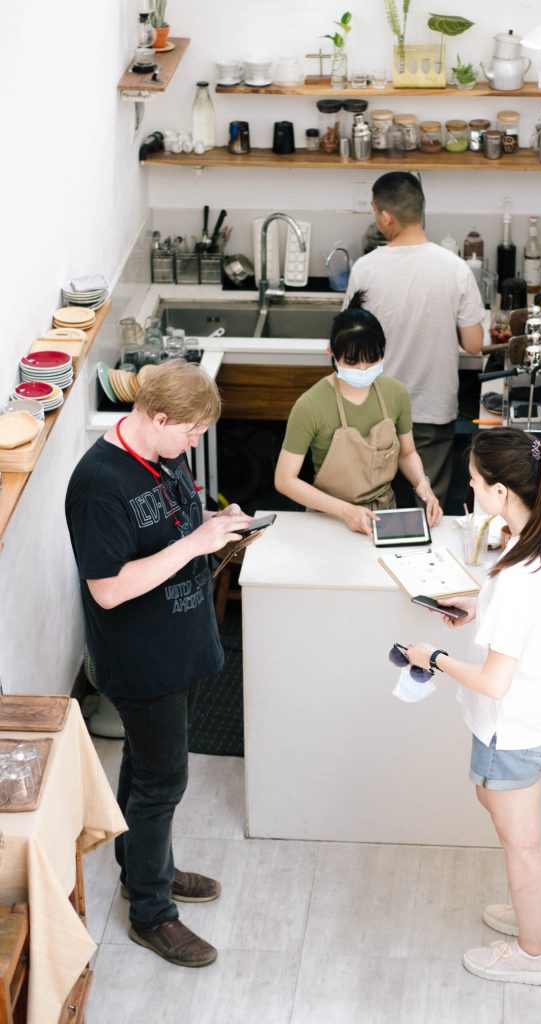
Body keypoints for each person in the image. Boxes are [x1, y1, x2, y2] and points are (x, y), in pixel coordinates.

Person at [65, 360, 257, 969]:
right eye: (191, 432)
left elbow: (172, 529)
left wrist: (215, 527)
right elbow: (108, 589)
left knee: (146, 771)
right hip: (143, 662)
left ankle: (143, 869)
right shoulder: (100, 483)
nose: (196, 443)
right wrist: (195, 545)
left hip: (185, 644)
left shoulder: (164, 455)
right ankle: (152, 912)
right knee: (162, 782)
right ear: (156, 417)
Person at [405, 428, 541, 986]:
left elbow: (493, 682)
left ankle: (534, 952)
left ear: (503, 490)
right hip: (536, 713)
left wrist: (430, 657)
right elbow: (524, 615)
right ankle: (537, 919)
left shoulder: (520, 575)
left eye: (477, 483)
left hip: (512, 724)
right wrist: (474, 605)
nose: (472, 491)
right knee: (501, 809)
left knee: (521, 843)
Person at [344, 171, 485, 509]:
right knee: (427, 507)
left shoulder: (365, 269)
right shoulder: (454, 268)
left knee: (375, 506)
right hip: (430, 411)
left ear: (385, 216)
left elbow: (347, 342)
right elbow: (475, 344)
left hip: (374, 413)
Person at [274, 292, 442, 535]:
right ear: (331, 353)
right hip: (329, 519)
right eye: (353, 362)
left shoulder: (396, 394)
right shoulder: (310, 406)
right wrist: (345, 511)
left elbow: (407, 453)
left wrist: (422, 484)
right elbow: (284, 480)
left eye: (372, 360)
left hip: (384, 517)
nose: (363, 370)